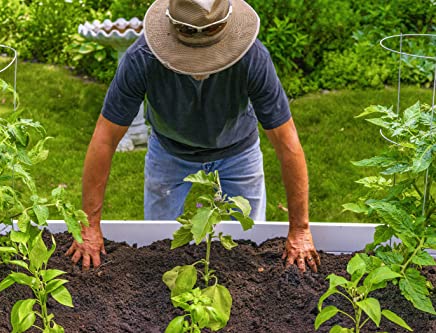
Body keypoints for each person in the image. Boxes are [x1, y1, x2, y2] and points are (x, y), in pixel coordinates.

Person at [66, 0, 321, 273]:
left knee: (248, 246)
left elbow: (287, 143)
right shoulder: (142, 58)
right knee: (159, 248)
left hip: (238, 151)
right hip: (169, 152)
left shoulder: (252, 58)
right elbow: (105, 139)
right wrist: (89, 227)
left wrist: (300, 229)